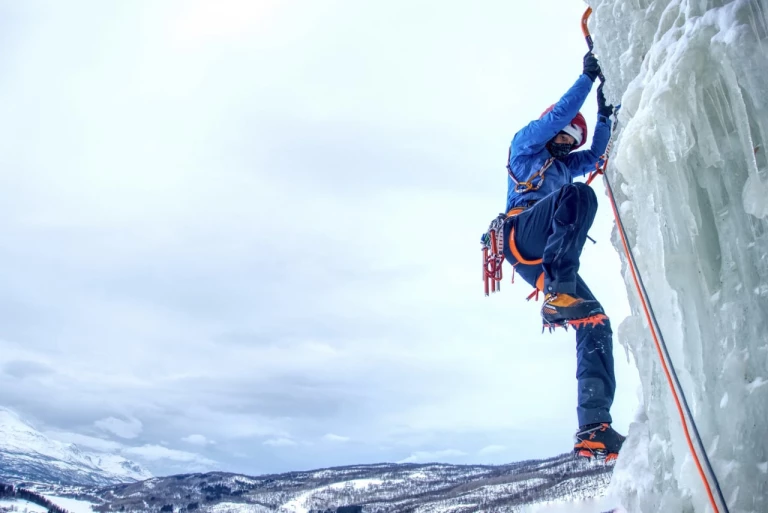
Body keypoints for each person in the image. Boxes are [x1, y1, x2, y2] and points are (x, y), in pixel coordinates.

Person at [502, 52, 625, 460]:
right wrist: (588, 79)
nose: (567, 143)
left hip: (544, 249)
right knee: (576, 197)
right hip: (521, 231)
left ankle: (593, 426)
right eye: (566, 137)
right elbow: (555, 117)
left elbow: (595, 158)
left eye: (573, 140)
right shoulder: (525, 147)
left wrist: (604, 114)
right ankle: (558, 292)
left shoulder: (561, 165)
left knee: (596, 322)